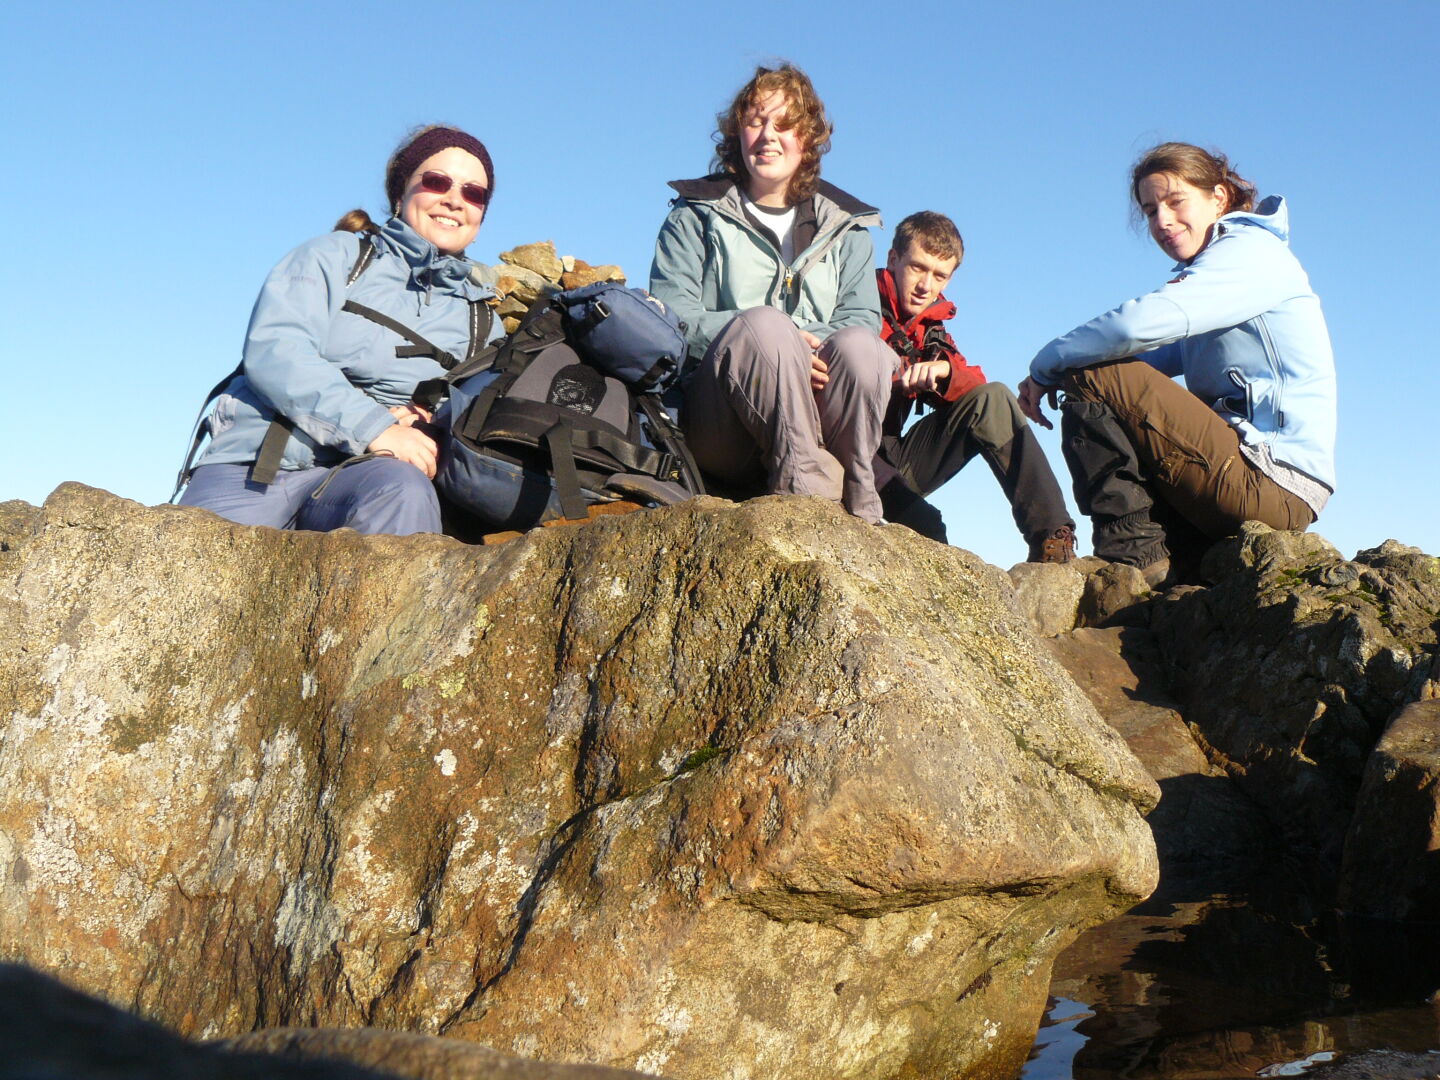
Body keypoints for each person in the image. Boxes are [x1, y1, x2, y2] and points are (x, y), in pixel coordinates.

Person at [1018, 142, 1336, 584]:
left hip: (1271, 480)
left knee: (1089, 372)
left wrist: (1045, 365)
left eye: (1174, 201)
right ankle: (1175, 557)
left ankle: (1132, 558)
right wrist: (1058, 371)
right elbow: (1140, 355)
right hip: (1249, 478)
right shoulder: (1221, 275)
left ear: (1219, 198)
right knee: (1093, 366)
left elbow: (1133, 329)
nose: (1162, 221)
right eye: (1150, 211)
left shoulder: (1251, 255)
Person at [179, 125, 501, 535]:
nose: (455, 200)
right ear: (400, 194)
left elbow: (475, 417)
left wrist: (429, 424)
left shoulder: (481, 320)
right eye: (437, 182)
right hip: (259, 464)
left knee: (404, 492)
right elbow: (277, 349)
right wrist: (376, 426)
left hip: (368, 478)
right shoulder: (334, 256)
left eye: (474, 193)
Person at [649, 63, 897, 524]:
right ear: (737, 133)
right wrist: (774, 340)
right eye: (755, 120)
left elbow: (862, 317)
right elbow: (671, 314)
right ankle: (808, 504)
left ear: (807, 139)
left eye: (784, 124)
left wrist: (807, 345)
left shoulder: (848, 227)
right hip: (722, 422)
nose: (768, 135)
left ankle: (862, 499)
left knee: (864, 348)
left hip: (822, 411)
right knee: (764, 326)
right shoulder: (694, 215)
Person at [877, 211, 1075, 561]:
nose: (926, 286)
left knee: (994, 397)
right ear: (894, 259)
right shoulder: (853, 301)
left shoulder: (930, 329)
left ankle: (1052, 538)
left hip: (894, 456)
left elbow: (982, 396)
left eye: (939, 275)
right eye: (918, 268)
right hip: (841, 452)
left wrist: (944, 372)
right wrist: (894, 377)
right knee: (928, 527)